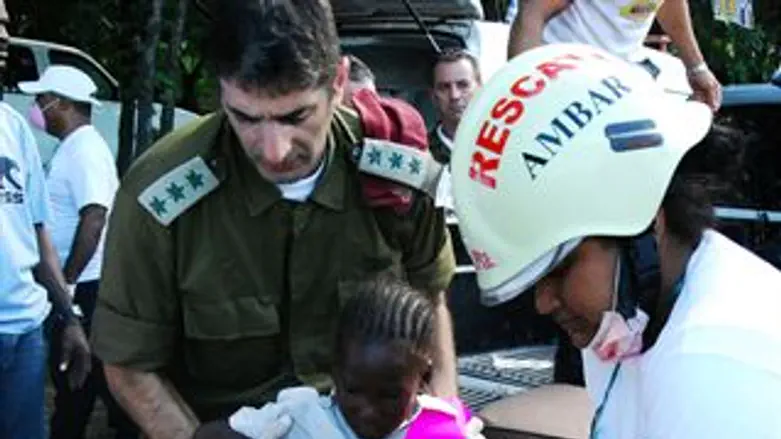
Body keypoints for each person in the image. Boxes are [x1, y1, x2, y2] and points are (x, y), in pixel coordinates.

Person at [90, 1, 458, 438]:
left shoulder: (398, 177)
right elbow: (129, 365)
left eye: (295, 116)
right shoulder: (160, 198)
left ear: (338, 83)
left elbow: (430, 300)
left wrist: (442, 424)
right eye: (245, 118)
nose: (273, 151)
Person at [450, 43, 781, 438]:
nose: (543, 302)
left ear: (646, 220)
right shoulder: (629, 318)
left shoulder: (716, 373)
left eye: (559, 269)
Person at [18, 65, 138, 439]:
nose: (36, 108)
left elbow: (94, 217)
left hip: (85, 286)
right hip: (79, 284)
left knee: (78, 377)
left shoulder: (85, 150)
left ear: (63, 104)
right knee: (83, 379)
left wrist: (67, 283)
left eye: (41, 100)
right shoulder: (73, 147)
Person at [224, 276, 484, 439]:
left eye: (389, 396)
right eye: (353, 391)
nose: (369, 411)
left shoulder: (441, 428)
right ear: (335, 371)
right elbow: (212, 433)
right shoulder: (300, 416)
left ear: (423, 379)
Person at [0, 2, 91, 438]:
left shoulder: (13, 128)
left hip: (24, 332)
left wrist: (69, 317)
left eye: (5, 24)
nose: (4, 36)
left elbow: (39, 234)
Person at [507, 0, 722, 111]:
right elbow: (533, 13)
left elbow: (665, 4)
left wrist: (696, 67)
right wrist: (523, 96)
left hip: (616, 82)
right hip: (562, 79)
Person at [428, 48, 481, 211]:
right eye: (444, 87)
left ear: (480, 88)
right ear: (433, 95)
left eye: (463, 85)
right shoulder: (422, 154)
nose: (454, 95)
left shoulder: (504, 149)